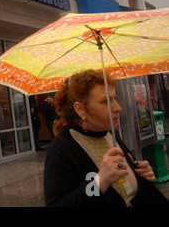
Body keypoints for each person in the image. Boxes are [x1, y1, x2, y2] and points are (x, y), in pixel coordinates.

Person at [44, 69, 168, 207]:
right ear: (80, 109)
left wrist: (140, 175)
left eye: (115, 99)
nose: (118, 107)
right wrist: (100, 181)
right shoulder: (62, 149)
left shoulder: (109, 134)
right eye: (105, 102)